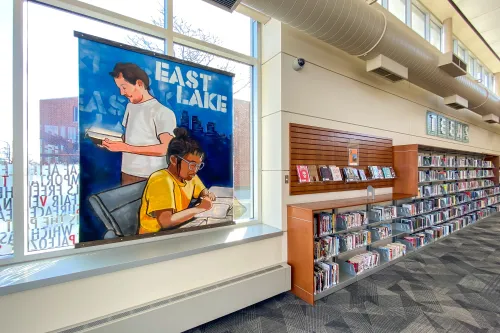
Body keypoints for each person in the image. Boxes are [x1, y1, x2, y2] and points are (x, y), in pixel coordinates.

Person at [103, 63, 177, 185]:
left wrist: (125, 147)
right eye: (119, 88)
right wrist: (111, 143)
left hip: (153, 176)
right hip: (127, 173)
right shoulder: (130, 107)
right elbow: (130, 137)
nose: (121, 93)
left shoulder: (163, 112)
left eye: (124, 87)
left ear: (139, 84)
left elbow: (166, 148)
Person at [138, 127, 216, 234]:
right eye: (192, 165)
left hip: (176, 229)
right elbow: (166, 221)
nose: (196, 170)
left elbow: (202, 190)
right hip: (154, 236)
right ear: (174, 160)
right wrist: (200, 208)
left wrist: (206, 195)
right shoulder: (161, 179)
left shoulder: (189, 176)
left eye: (198, 165)